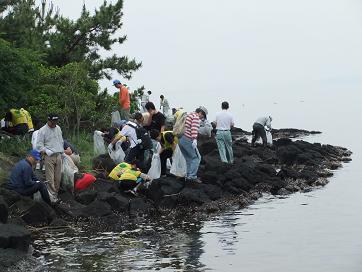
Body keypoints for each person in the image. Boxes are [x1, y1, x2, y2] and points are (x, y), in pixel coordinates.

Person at [36, 113, 64, 203]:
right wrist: (46, 151)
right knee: (50, 178)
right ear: (48, 120)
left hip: (58, 155)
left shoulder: (58, 128)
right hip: (49, 156)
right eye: (52, 121)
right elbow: (39, 145)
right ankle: (51, 197)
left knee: (58, 178)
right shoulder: (42, 130)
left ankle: (55, 194)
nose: (54, 123)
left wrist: (62, 152)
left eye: (56, 121)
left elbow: (61, 141)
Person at [178, 106, 207, 183]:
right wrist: (194, 139)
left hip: (181, 139)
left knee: (188, 158)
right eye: (203, 116)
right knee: (196, 158)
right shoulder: (196, 117)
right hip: (188, 139)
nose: (201, 118)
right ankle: (192, 176)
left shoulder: (189, 114)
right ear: (200, 113)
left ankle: (188, 175)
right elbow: (194, 129)